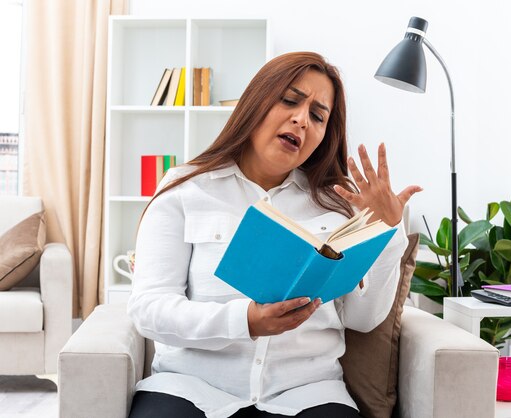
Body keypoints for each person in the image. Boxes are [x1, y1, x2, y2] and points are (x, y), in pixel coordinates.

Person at [127, 51, 422, 418]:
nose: (301, 119)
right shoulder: (184, 189)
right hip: (191, 388)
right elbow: (149, 309)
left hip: (308, 394)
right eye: (290, 100)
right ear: (257, 101)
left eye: (317, 116)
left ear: (323, 136)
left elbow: (361, 320)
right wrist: (245, 321)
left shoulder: (338, 206)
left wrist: (387, 232)